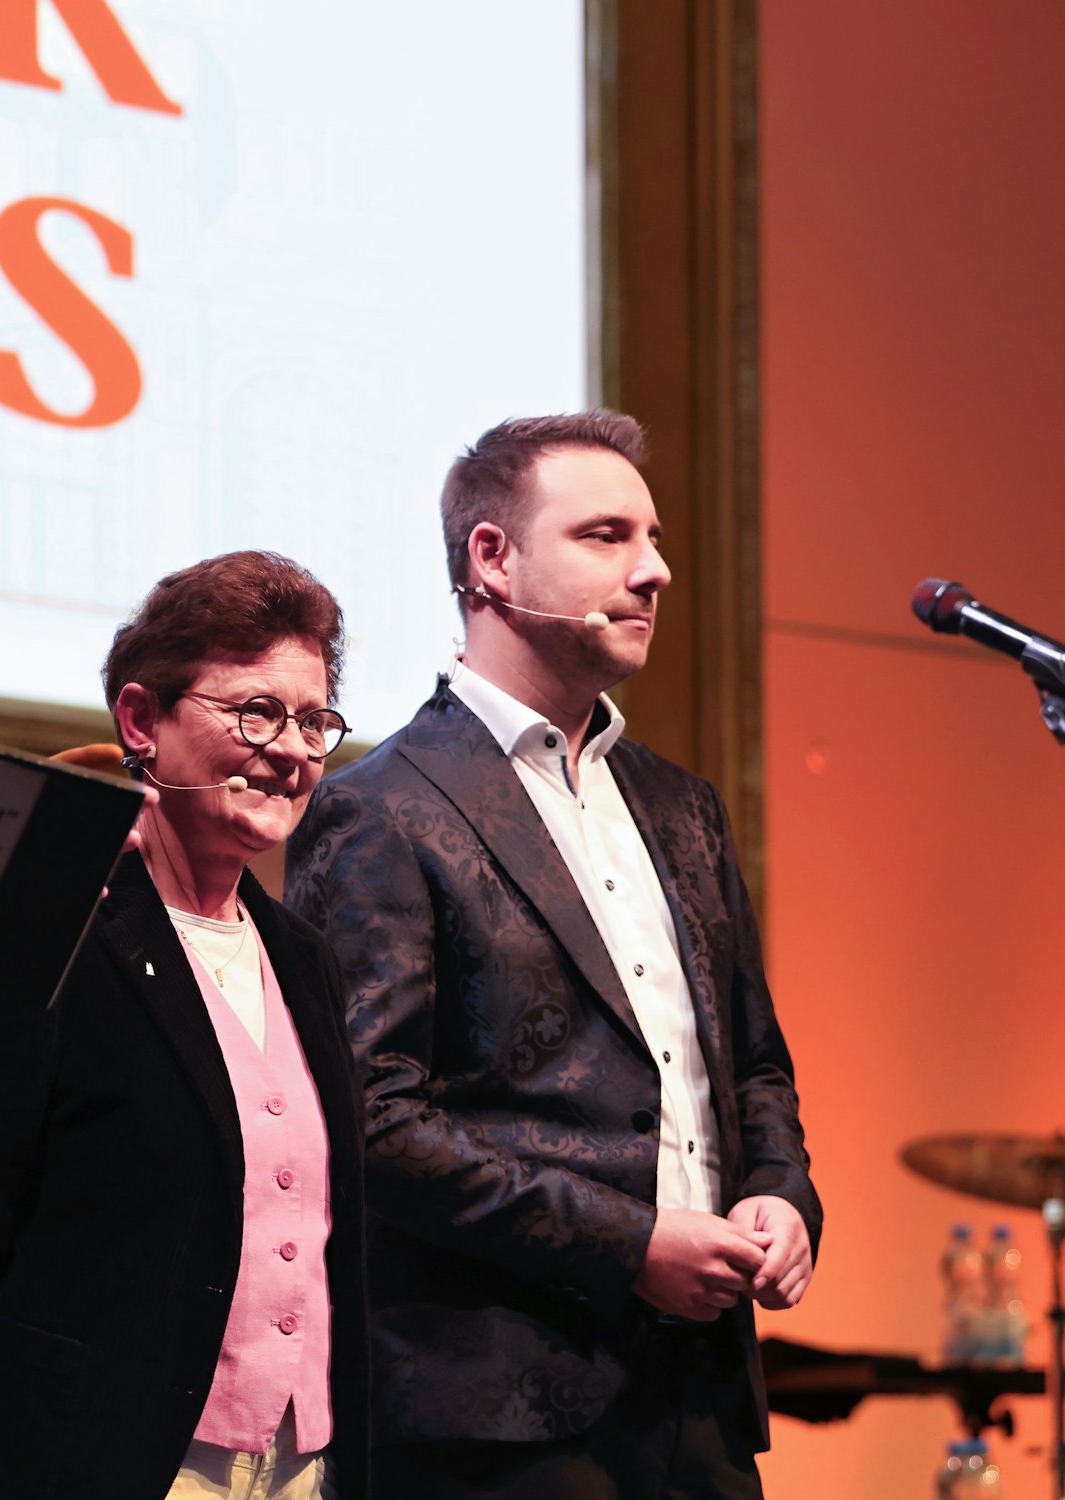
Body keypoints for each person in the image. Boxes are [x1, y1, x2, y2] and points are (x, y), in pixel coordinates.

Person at [285, 413, 819, 1500]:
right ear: (491, 560)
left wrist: (780, 1194)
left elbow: (750, 1065)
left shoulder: (682, 809)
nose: (655, 570)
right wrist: (630, 1243)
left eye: (654, 537)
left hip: (696, 1401)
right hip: (494, 1417)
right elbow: (371, 1121)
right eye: (606, 536)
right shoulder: (376, 811)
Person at [0, 551, 370, 1500]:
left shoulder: (304, 958)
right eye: (256, 711)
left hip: (303, 1471)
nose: (294, 750)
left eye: (315, 721)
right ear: (142, 721)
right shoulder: (44, 929)